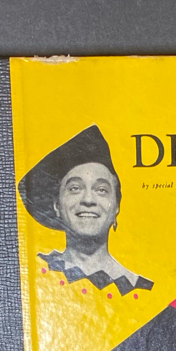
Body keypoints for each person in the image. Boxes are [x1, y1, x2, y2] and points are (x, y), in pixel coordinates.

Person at [17, 125, 153, 295]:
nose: (88, 200)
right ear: (57, 205)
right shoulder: (35, 271)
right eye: (75, 188)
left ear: (116, 207)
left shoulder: (141, 290)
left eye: (101, 190)